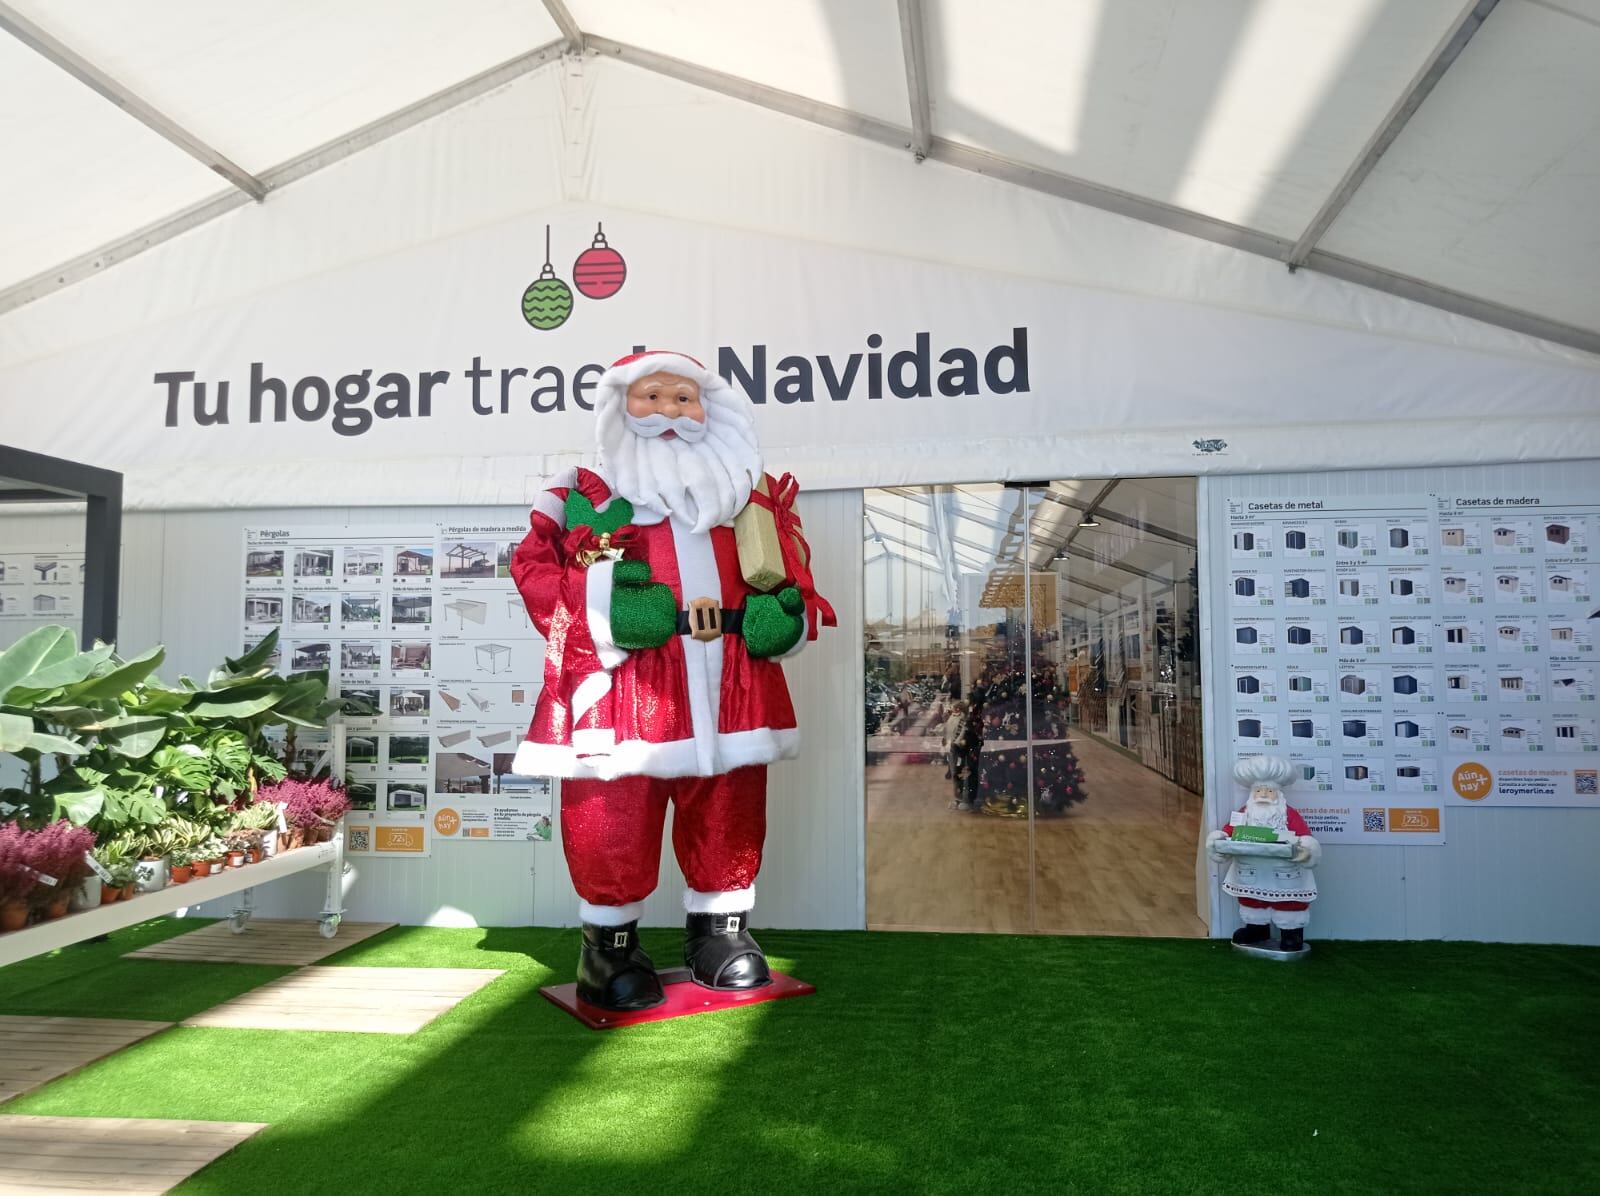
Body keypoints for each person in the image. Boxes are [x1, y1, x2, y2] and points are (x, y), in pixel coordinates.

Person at [511, 349, 832, 1010]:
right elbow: (533, 570)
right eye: (651, 397)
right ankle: (609, 948)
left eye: (684, 399)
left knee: (730, 803)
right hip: (628, 683)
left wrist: (783, 613)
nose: (669, 413)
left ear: (708, 411)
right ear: (618, 406)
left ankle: (719, 933)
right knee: (613, 811)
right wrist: (606, 604)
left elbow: (791, 574)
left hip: (731, 681)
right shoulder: (582, 493)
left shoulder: (748, 492)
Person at [1206, 756, 1322, 952]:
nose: (1264, 795)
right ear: (1252, 793)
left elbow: (1304, 836)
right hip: (1251, 870)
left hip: (1284, 871)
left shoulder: (1289, 815)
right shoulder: (1244, 813)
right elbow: (1230, 830)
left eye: (1269, 791)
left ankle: (1291, 934)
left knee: (1289, 902)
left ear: (1277, 793)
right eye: (1259, 790)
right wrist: (1220, 838)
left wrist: (1307, 849)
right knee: (1253, 901)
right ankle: (1257, 929)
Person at [941, 700, 967, 780]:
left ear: (958, 709)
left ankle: (955, 774)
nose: (951, 708)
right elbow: (946, 727)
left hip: (955, 742)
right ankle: (952, 772)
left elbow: (961, 731)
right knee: (950, 758)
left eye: (953, 707)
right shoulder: (952, 716)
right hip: (949, 741)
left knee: (955, 759)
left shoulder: (962, 718)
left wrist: (956, 742)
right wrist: (944, 737)